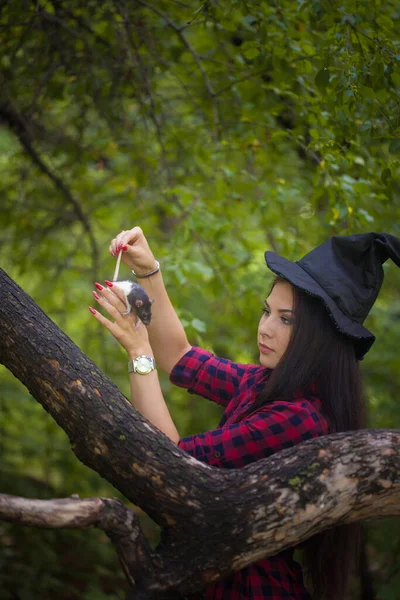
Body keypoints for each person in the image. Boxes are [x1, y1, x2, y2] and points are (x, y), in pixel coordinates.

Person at [89, 227, 400, 600]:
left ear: (321, 337)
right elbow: (179, 357)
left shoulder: (301, 418)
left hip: (253, 588)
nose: (265, 329)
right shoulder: (263, 382)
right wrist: (149, 270)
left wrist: (140, 353)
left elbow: (170, 464)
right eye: (267, 311)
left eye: (287, 320)